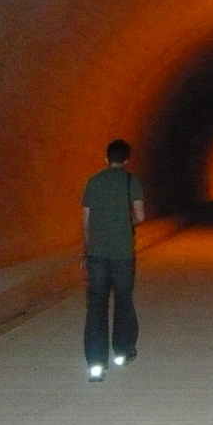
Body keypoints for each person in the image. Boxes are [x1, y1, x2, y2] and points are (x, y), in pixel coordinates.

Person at [82, 139, 146, 381]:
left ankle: (96, 365)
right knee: (123, 301)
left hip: (96, 255)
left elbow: (86, 221)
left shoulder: (93, 182)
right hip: (122, 255)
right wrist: (123, 224)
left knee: (96, 308)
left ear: (105, 158)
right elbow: (140, 216)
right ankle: (122, 352)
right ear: (127, 159)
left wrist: (85, 250)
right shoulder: (132, 181)